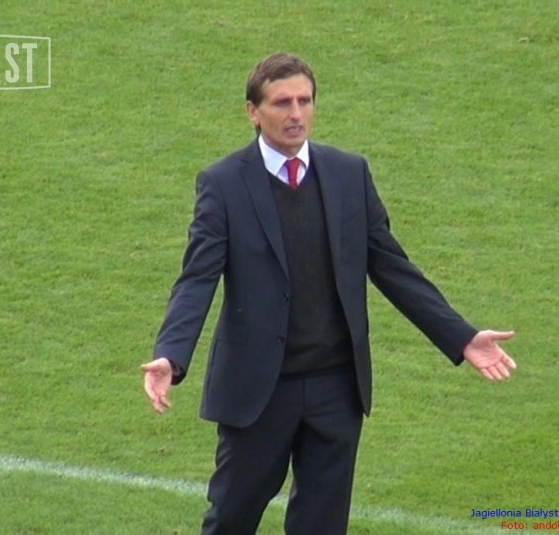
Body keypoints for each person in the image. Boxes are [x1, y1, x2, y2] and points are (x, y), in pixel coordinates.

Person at [142, 52, 517, 535]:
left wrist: (461, 338)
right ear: (253, 112)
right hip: (259, 391)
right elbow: (197, 277)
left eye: (305, 101)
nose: (296, 113)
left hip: (335, 388)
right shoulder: (224, 183)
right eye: (282, 103)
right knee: (231, 519)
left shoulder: (348, 173)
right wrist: (171, 356)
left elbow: (392, 267)